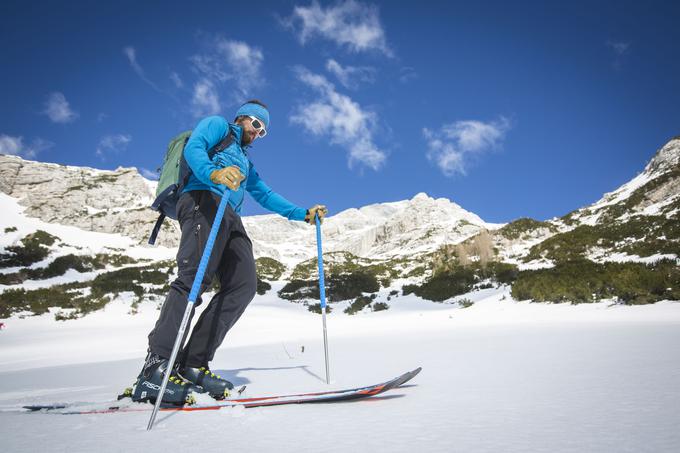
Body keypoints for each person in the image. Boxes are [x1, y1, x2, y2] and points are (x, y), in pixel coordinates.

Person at [131, 100, 327, 404]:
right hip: (202, 199)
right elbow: (194, 147)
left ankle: (193, 364)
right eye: (257, 126)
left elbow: (264, 193)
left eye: (264, 133)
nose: (258, 134)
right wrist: (213, 174)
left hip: (229, 214)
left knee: (243, 285)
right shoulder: (218, 126)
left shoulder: (245, 162)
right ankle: (155, 367)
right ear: (243, 118)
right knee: (194, 278)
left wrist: (302, 213)